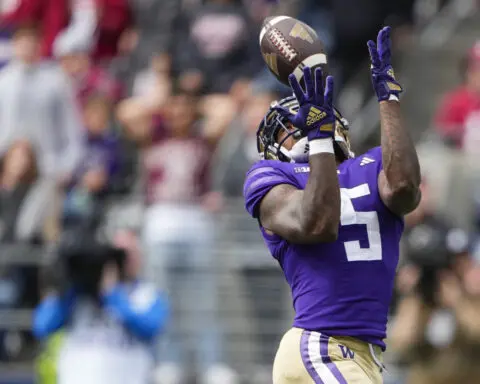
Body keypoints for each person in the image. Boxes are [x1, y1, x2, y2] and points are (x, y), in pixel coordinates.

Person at [243, 26, 421, 384]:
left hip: (367, 355)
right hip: (320, 347)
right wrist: (319, 140)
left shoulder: (371, 165)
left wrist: (387, 97)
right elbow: (318, 223)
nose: (300, 131)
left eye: (305, 120)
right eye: (290, 129)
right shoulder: (271, 176)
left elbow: (405, 189)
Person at [32, 229, 169, 384]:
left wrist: (112, 294)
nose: (126, 261)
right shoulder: (77, 295)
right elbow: (42, 326)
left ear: (140, 257)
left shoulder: (146, 294)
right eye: (120, 254)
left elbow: (151, 327)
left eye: (129, 254)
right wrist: (68, 289)